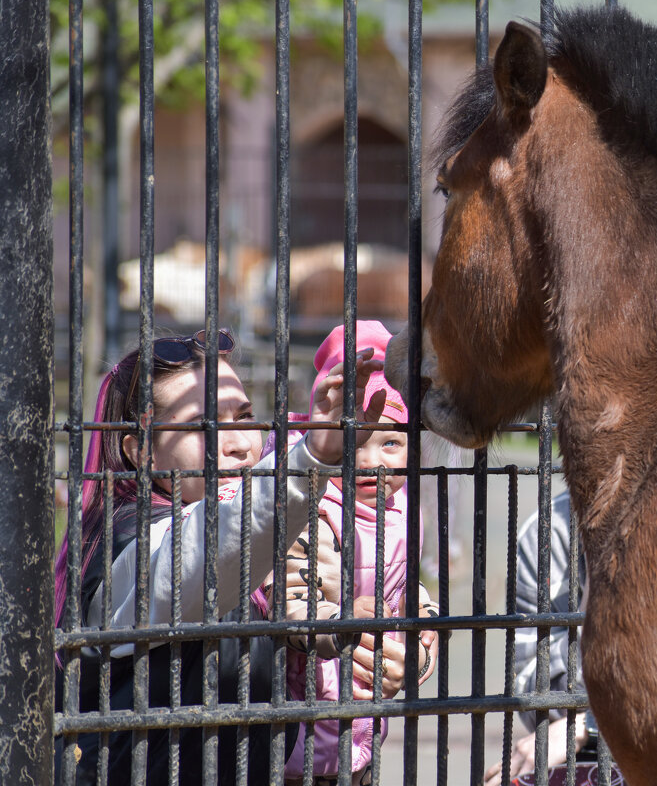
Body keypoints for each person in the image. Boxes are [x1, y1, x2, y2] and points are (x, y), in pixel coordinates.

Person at [53, 328, 388, 785]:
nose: (240, 444)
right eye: (203, 426)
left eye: (246, 417)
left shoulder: (288, 522)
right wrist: (309, 457)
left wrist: (391, 649)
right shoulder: (128, 542)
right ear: (142, 452)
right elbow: (207, 551)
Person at [257, 321, 441, 785]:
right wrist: (344, 623)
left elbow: (402, 589)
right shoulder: (309, 508)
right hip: (295, 735)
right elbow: (287, 603)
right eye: (354, 439)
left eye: (392, 442)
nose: (370, 460)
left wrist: (419, 634)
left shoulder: (401, 511)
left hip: (361, 735)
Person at [485, 491, 616, 786]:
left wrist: (587, 725)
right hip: (590, 760)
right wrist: (596, 609)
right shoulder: (547, 535)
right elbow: (533, 695)